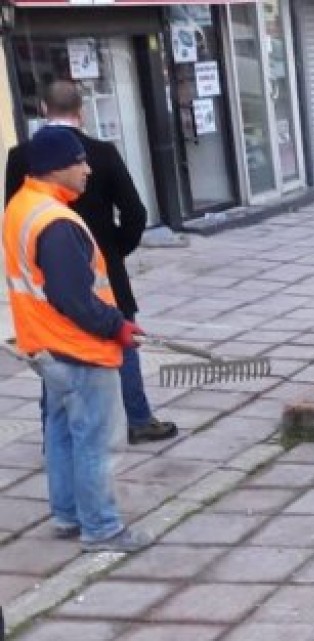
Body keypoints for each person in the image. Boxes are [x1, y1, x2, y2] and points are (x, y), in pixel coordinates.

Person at [3, 126, 152, 552]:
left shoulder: (22, 206)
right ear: (55, 169)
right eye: (79, 161)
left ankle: (68, 515)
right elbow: (72, 297)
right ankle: (102, 528)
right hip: (78, 348)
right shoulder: (56, 223)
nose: (88, 169)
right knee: (97, 440)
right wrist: (116, 325)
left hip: (44, 345)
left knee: (63, 435)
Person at [6, 81, 177, 444]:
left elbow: (13, 214)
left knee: (55, 354)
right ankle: (139, 419)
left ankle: (56, 427)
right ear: (81, 112)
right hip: (102, 267)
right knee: (121, 336)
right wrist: (115, 250)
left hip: (42, 275)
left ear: (41, 108)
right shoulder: (101, 152)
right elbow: (134, 212)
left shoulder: (20, 157)